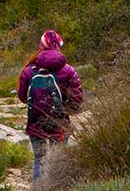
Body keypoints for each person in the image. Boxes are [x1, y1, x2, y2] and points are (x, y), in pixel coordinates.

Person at [16, 29, 83, 182]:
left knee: (39, 159)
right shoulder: (68, 71)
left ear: (41, 46)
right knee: (59, 160)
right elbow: (77, 99)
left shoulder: (29, 70)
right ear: (59, 45)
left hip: (35, 121)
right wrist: (65, 108)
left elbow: (22, 96)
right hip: (60, 122)